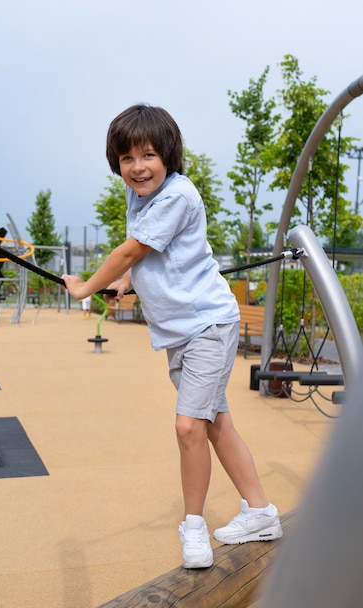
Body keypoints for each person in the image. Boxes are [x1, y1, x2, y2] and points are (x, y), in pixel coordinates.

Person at [62, 104, 282, 569]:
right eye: (126, 159)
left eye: (148, 155)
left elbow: (131, 249)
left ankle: (194, 526)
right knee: (215, 421)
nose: (138, 167)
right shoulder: (138, 197)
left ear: (169, 155)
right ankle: (260, 511)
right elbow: (152, 261)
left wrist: (86, 286)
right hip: (181, 333)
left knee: (189, 426)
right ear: (116, 164)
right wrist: (127, 284)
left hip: (207, 324)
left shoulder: (177, 195)